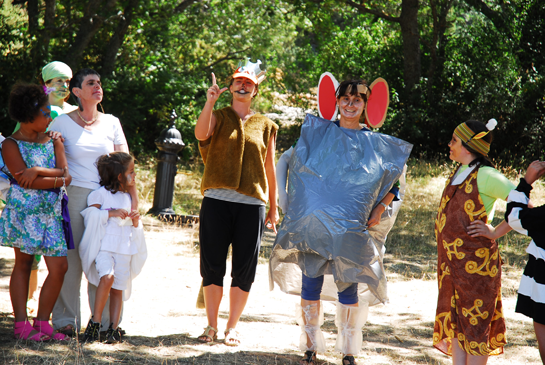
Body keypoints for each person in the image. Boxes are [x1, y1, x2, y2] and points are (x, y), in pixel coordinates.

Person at [270, 79, 411, 365]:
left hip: (349, 229)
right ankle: (310, 344)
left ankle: (348, 350)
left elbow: (395, 178)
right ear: (336, 101)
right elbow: (287, 158)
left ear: (365, 105)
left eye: (356, 100)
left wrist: (381, 207)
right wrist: (283, 197)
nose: (350, 104)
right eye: (345, 99)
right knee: (311, 284)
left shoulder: (375, 143)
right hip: (314, 226)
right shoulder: (319, 134)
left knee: (348, 287)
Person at [194, 58, 279, 346]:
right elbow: (200, 134)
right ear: (230, 87)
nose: (243, 85)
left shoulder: (267, 125)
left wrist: (273, 208)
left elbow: (270, 168)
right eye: (238, 81)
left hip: (252, 205)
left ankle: (232, 327)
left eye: (249, 83)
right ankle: (211, 326)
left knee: (244, 268)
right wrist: (209, 102)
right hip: (217, 201)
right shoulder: (218, 115)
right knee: (212, 265)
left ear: (255, 90)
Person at [50, 68, 137, 336]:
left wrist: (134, 203)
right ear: (77, 92)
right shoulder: (61, 123)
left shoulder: (112, 122)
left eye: (99, 82)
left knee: (105, 257)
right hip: (74, 195)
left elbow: (126, 166)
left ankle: (105, 323)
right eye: (91, 83)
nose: (98, 86)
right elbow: (49, 160)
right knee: (72, 259)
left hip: (108, 197)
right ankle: (66, 320)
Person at [433, 119, 515, 364]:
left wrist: (495, 231)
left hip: (477, 270)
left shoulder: (487, 175)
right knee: (458, 326)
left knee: (476, 328)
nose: (449, 144)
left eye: (454, 140)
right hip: (452, 268)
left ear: (468, 147)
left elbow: (523, 205)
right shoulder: (459, 171)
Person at [0, 83, 72, 341]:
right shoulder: (10, 144)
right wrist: (57, 179)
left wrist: (40, 170)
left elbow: (67, 176)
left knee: (60, 266)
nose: (50, 117)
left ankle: (43, 322)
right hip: (24, 213)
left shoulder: (52, 141)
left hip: (50, 212)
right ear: (29, 115)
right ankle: (22, 326)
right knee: (24, 264)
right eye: (45, 112)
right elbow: (24, 182)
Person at [79, 152, 146, 343]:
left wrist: (133, 194)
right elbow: (91, 214)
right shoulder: (99, 194)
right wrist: (111, 212)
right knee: (107, 277)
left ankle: (114, 328)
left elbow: (134, 222)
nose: (134, 176)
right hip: (105, 247)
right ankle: (96, 321)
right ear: (119, 176)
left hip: (124, 248)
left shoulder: (128, 197)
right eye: (131, 172)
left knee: (118, 287)